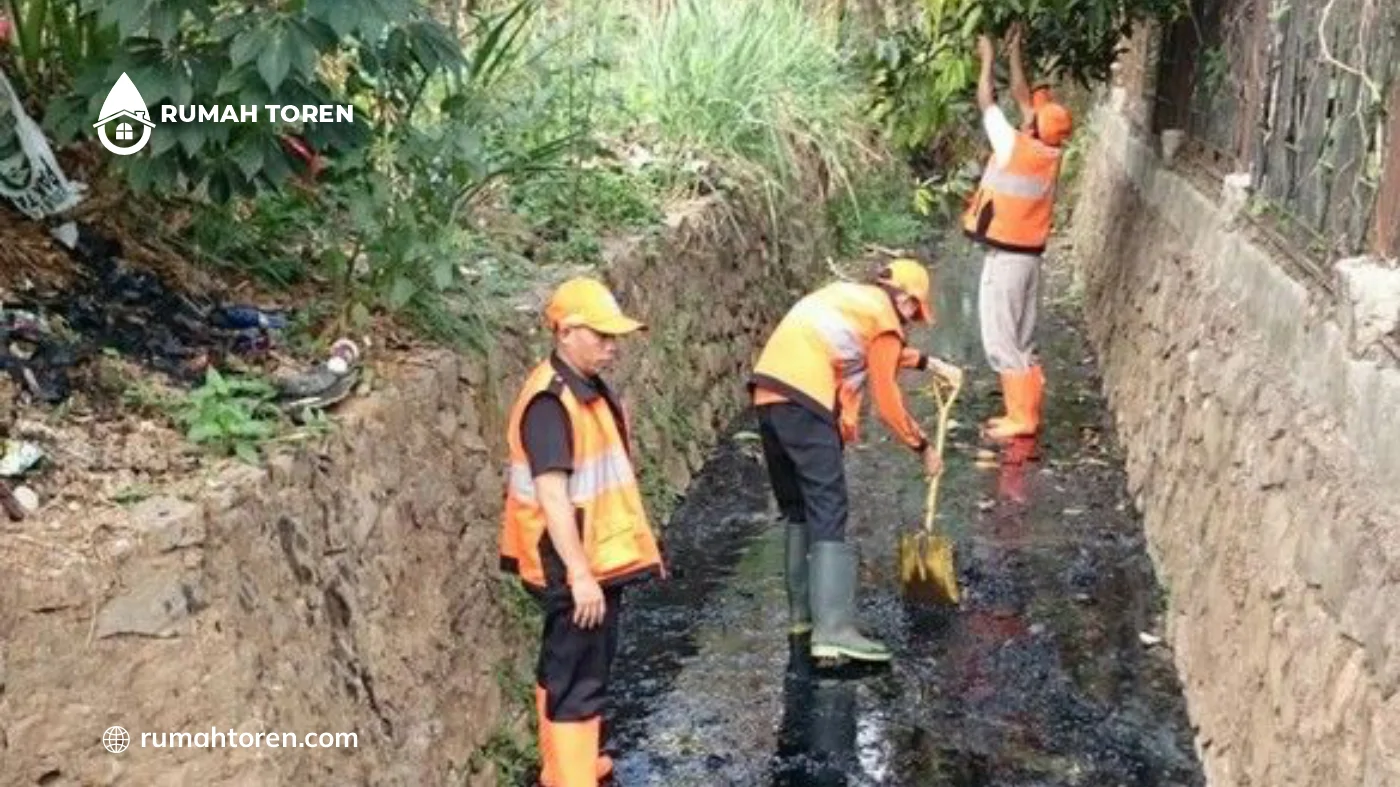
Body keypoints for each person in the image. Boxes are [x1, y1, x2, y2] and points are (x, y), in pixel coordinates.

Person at [748, 257, 963, 662]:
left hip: (769, 395)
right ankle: (833, 630)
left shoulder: (856, 301)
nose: (915, 319)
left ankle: (803, 618)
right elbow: (886, 397)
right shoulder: (884, 318)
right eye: (915, 309)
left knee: (799, 508)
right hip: (805, 396)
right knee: (829, 504)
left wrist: (929, 363)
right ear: (903, 299)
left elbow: (875, 353)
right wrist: (922, 446)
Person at [498, 276, 664, 787]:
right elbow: (552, 495)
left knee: (566, 668)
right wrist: (579, 575)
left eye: (615, 337)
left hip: (592, 560)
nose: (611, 347)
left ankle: (566, 765)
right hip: (573, 566)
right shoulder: (551, 402)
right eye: (601, 336)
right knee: (579, 680)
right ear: (566, 331)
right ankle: (572, 776)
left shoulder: (581, 388)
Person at [962, 24, 1074, 441]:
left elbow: (987, 100)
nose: (1030, 111)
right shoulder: (1047, 149)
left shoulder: (1015, 147)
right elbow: (1026, 99)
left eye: (1034, 116)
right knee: (1023, 339)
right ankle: (1025, 413)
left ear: (1035, 127)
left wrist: (988, 56)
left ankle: (1020, 418)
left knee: (1001, 337)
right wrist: (1016, 50)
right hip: (1029, 259)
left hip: (1007, 260)